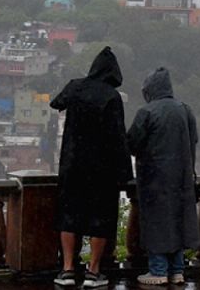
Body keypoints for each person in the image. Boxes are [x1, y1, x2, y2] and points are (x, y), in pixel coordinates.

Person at [50, 47, 133, 288]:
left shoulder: (76, 87)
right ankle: (93, 271)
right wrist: (124, 173)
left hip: (72, 164)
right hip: (101, 169)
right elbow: (118, 137)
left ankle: (67, 269)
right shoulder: (111, 96)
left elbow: (56, 103)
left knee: (68, 216)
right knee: (101, 218)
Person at [127, 67, 200, 286]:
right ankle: (177, 270)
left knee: (157, 224)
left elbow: (131, 143)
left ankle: (158, 270)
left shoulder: (147, 112)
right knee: (178, 222)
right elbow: (193, 140)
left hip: (154, 178)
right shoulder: (185, 110)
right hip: (182, 177)